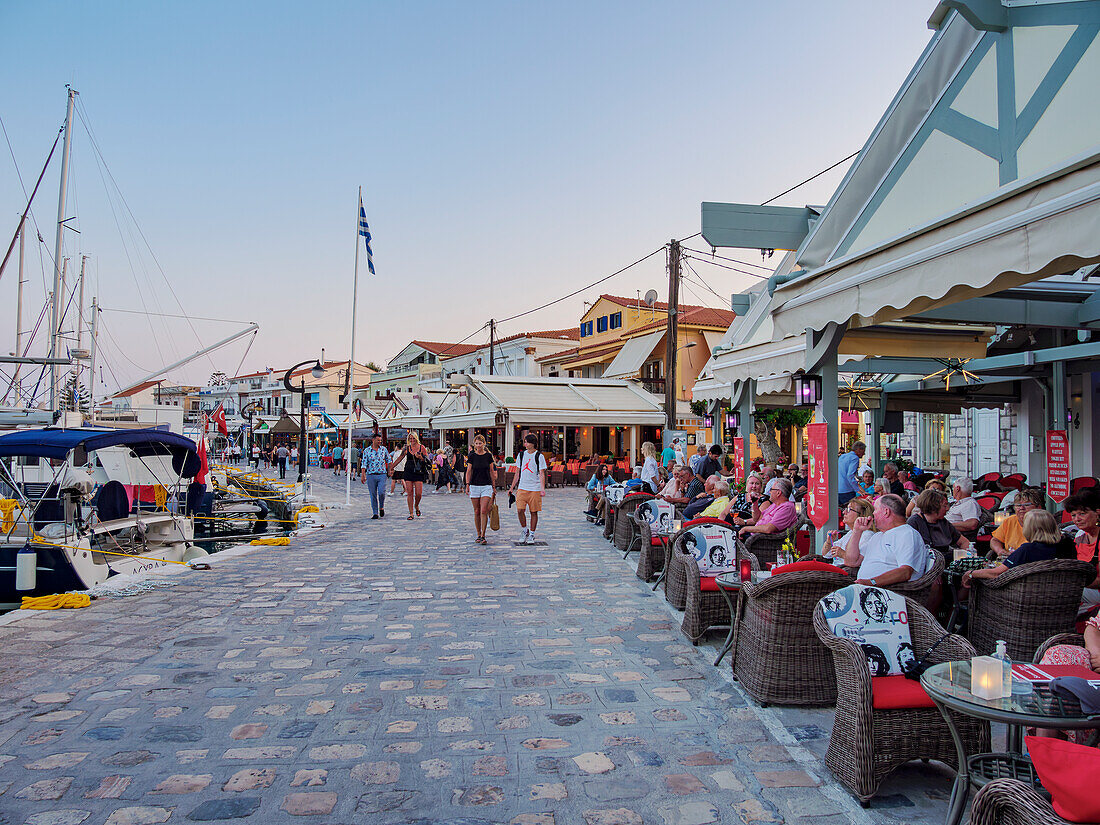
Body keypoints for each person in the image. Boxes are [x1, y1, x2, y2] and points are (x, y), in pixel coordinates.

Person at [963, 510, 1075, 590]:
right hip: (1061, 596)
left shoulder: (1027, 549)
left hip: (1025, 597)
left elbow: (996, 574)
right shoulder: (1068, 544)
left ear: (1030, 529)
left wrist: (970, 574)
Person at [844, 494, 930, 586]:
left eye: (875, 509)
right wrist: (857, 531)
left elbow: (905, 572)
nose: (873, 513)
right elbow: (851, 562)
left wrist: (871, 582)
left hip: (887, 594)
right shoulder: (877, 536)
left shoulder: (907, 534)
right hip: (865, 589)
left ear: (886, 512)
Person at [907, 488, 970, 561]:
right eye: (944, 506)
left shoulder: (943, 522)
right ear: (933, 507)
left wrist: (968, 555)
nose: (947, 509)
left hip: (946, 561)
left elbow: (964, 542)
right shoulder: (914, 523)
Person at [1066, 489, 1100, 613]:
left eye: (1082, 513)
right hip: (1086, 588)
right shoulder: (1081, 536)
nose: (1077, 519)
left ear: (1097, 513)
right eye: (1074, 515)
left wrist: (1074, 581)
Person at [510, 434, 547, 545]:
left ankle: (532, 534)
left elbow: (541, 473)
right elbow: (517, 472)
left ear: (533, 443)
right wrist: (512, 487)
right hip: (522, 487)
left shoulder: (539, 456)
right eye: (524, 442)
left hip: (534, 488)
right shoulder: (521, 455)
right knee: (520, 510)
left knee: (533, 512)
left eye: (527, 442)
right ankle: (524, 529)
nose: (525, 444)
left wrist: (542, 488)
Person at [989, 488, 1044, 558]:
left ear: (1038, 507)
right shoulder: (1010, 521)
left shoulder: (1043, 522)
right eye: (1018, 505)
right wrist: (1000, 551)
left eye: (1027, 505)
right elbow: (995, 540)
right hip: (1011, 561)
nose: (1021, 508)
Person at [465, 434, 497, 545]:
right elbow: (469, 471)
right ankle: (478, 534)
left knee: (484, 510)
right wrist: (467, 484)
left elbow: (491, 471)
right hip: (474, 485)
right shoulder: (472, 456)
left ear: (484, 444)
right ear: (474, 444)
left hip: (486, 485)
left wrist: (493, 486)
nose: (478, 445)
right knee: (477, 511)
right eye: (477, 443)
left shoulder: (488, 456)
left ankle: (483, 535)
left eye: (480, 443)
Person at [822, 497, 875, 563]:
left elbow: (860, 562)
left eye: (849, 509)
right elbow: (825, 555)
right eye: (846, 509)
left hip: (845, 571)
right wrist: (829, 542)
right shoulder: (850, 533)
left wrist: (843, 554)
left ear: (862, 515)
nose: (844, 512)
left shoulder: (867, 535)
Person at [393, 432, 430, 519]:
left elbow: (427, 460)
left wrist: (420, 457)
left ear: (416, 438)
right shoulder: (407, 448)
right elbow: (400, 458)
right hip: (408, 471)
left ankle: (416, 506)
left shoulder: (422, 448)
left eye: (413, 438)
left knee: (418, 494)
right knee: (409, 492)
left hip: (418, 471)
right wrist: (392, 467)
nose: (412, 440)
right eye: (410, 439)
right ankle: (411, 513)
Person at [362, 432, 391, 519]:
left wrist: (390, 469)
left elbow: (389, 459)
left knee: (381, 492)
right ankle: (375, 512)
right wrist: (363, 475)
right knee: (373, 494)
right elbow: (364, 463)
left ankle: (381, 507)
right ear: (373, 440)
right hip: (371, 474)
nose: (379, 442)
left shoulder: (383, 449)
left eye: (380, 440)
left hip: (382, 474)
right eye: (378, 440)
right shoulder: (367, 451)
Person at [838, 441, 866, 508]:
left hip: (838, 489)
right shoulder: (855, 458)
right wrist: (857, 489)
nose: (864, 453)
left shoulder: (842, 456)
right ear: (859, 449)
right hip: (847, 491)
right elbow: (850, 475)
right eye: (863, 451)